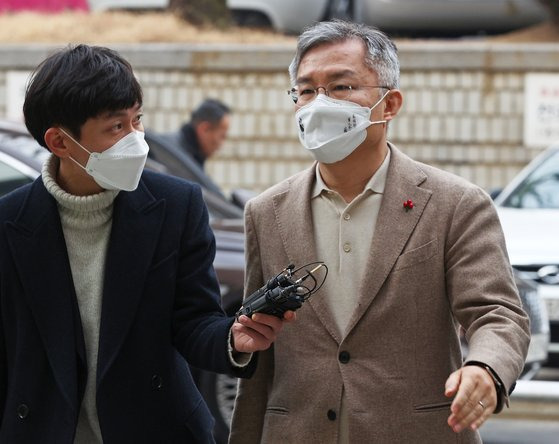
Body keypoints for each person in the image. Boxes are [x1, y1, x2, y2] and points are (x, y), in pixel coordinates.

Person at [229, 20, 530, 444]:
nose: (320, 103)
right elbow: (260, 347)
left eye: (341, 87)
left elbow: (497, 314)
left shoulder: (454, 203)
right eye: (307, 90)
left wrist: (486, 368)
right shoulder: (266, 212)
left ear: (389, 105)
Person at [0, 44, 291, 443]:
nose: (136, 140)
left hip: (157, 427)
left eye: (137, 121)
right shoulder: (10, 223)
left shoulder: (176, 204)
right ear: (60, 142)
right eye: (116, 127)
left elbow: (193, 319)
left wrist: (232, 339)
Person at [178, 98, 231, 169]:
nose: (221, 145)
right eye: (222, 136)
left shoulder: (190, 158)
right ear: (205, 129)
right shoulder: (176, 160)